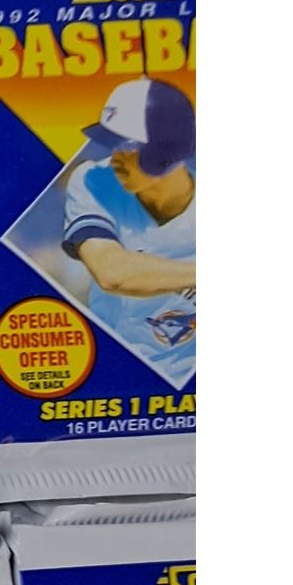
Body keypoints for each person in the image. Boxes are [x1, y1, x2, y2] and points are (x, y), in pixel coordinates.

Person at [62, 78, 196, 385]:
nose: (115, 159)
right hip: (119, 367)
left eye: (127, 147)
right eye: (111, 145)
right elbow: (112, 272)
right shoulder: (93, 180)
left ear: (167, 149)